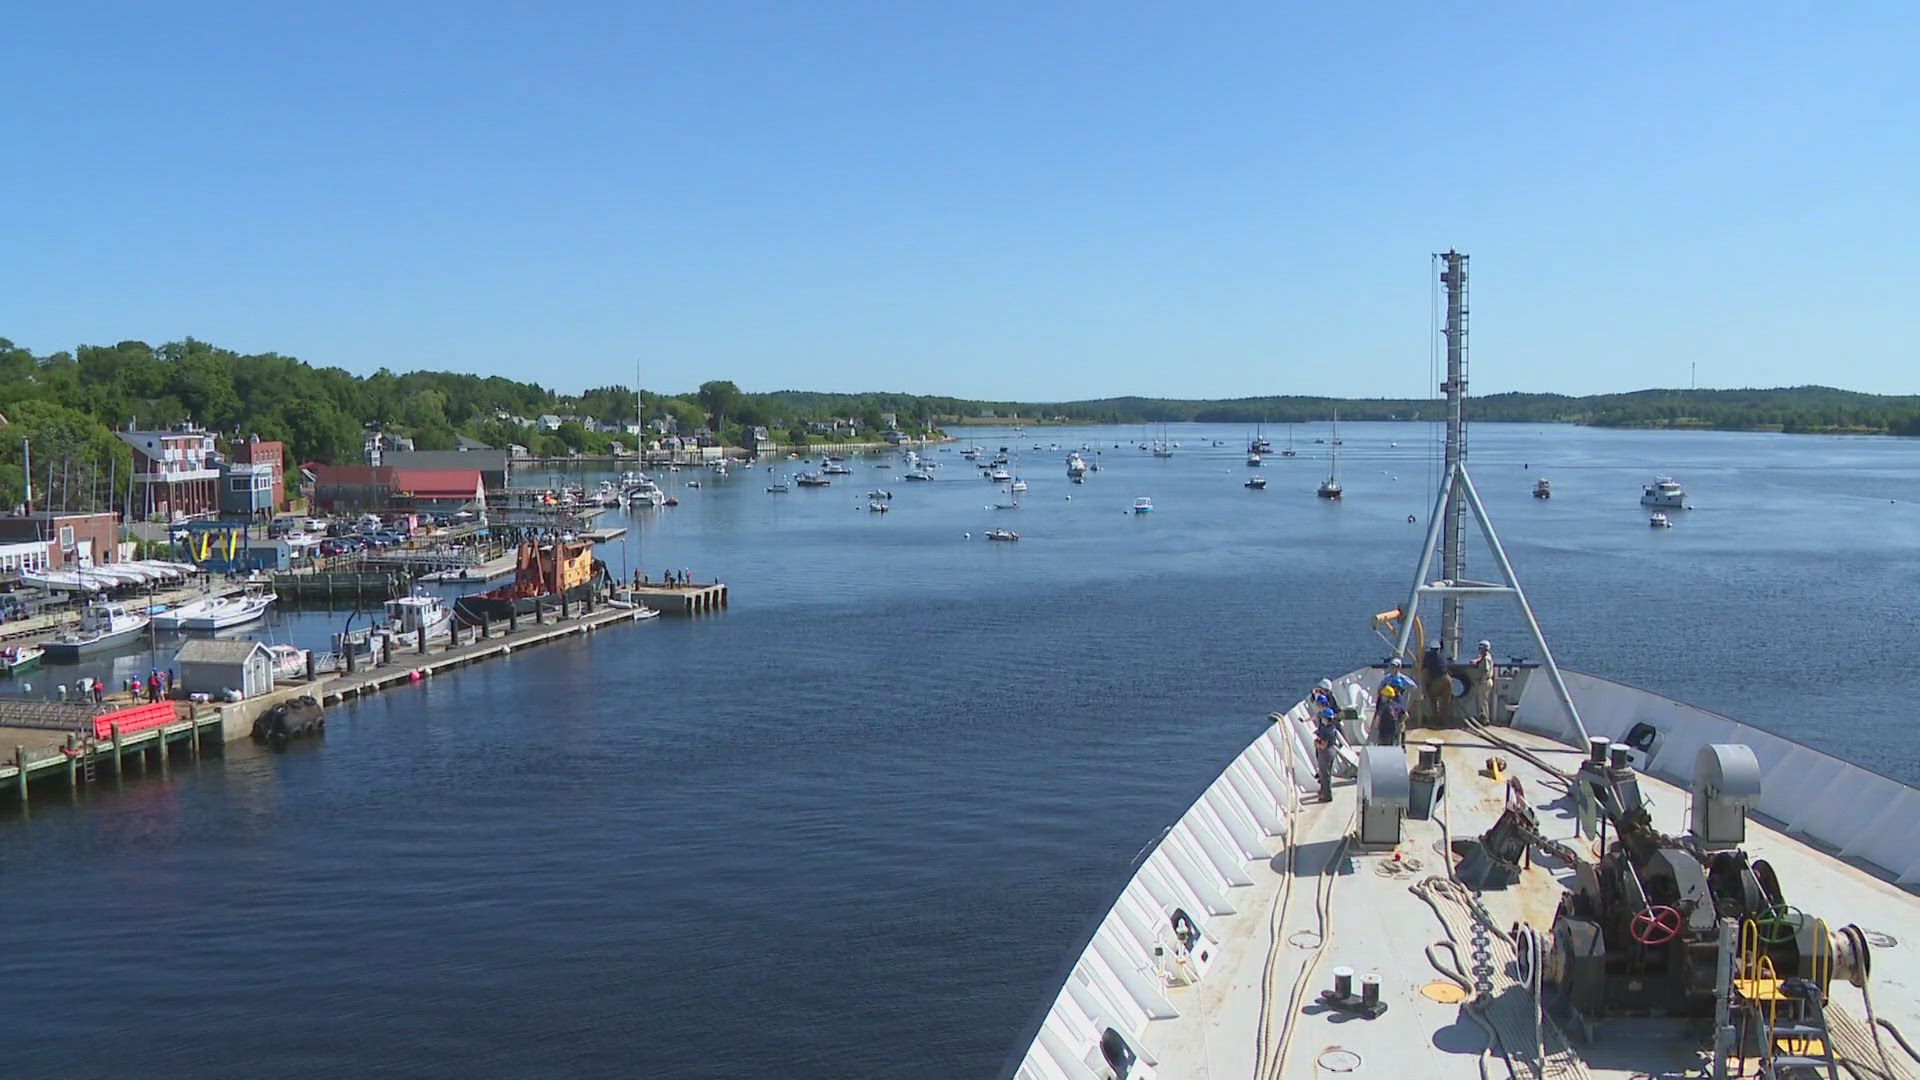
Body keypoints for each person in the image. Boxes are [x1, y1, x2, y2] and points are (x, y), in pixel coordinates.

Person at [1313, 708, 1342, 802]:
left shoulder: (1326, 731)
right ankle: (1324, 792)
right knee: (1327, 774)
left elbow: (1323, 745)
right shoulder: (1332, 728)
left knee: (1324, 775)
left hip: (1325, 753)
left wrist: (1316, 743)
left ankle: (1326, 795)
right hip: (1332, 750)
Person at [1470, 640, 1496, 721]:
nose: (1479, 650)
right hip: (1486, 681)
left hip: (1485, 682)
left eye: (1480, 648)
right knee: (1482, 700)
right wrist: (1476, 661)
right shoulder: (1486, 656)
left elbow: (1486, 670)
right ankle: (1483, 717)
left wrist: (1482, 680)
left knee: (1483, 701)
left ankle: (1485, 719)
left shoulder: (1486, 658)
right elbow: (1481, 659)